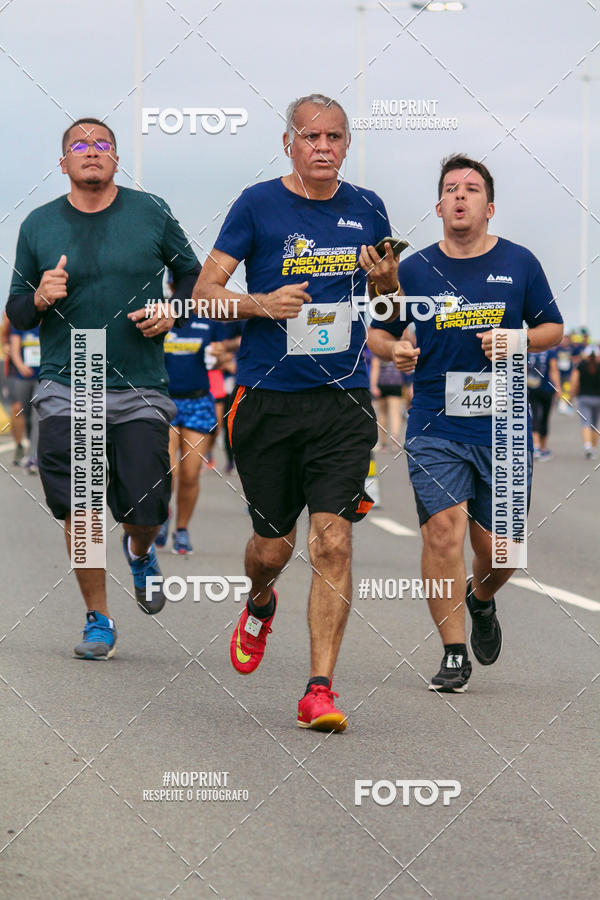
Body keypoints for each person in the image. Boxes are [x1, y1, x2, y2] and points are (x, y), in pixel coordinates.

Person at [193, 93, 399, 731]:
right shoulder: (256, 205)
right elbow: (205, 296)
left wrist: (387, 281)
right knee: (272, 548)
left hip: (341, 403)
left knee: (333, 539)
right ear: (289, 143)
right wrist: (262, 304)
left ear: (346, 144)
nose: (323, 147)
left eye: (335, 137)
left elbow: (384, 302)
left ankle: (319, 689)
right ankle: (259, 600)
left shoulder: (367, 208)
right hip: (267, 403)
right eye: (311, 137)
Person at [368, 154, 563, 692]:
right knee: (442, 532)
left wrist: (517, 339)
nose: (460, 196)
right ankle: (454, 652)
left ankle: (481, 600)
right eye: (451, 189)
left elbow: (553, 329)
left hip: (502, 427)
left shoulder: (520, 264)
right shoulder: (413, 270)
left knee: (502, 553)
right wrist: (397, 349)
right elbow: (378, 332)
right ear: (438, 206)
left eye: (471, 189)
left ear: (489, 206)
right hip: (435, 423)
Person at [6, 118, 200, 659]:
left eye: (103, 144)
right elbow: (17, 312)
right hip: (69, 384)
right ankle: (98, 618)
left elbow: (191, 275)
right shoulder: (39, 225)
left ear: (116, 158)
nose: (92, 152)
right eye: (79, 145)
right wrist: (40, 296)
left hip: (139, 385)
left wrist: (174, 309)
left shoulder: (151, 213)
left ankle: (140, 552)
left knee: (146, 509)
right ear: (63, 162)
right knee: (82, 506)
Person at [157, 313, 223, 555]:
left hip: (197, 402)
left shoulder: (209, 322)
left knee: (190, 473)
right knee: (169, 470)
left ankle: (181, 529)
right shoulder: (161, 315)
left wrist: (221, 355)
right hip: (166, 400)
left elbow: (225, 352)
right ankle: (162, 515)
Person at [8, 323, 41, 473]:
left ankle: (34, 457)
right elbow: (14, 350)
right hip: (23, 376)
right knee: (25, 416)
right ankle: (28, 446)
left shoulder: (50, 322)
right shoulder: (21, 324)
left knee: (36, 417)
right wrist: (21, 366)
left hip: (42, 378)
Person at [527, 347, 560, 460]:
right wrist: (558, 386)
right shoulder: (550, 352)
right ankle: (542, 448)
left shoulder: (528, 350)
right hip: (547, 389)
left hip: (531, 388)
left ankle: (536, 447)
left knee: (534, 416)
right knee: (545, 418)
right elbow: (553, 369)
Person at [571, 345, 600, 459]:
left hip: (584, 398)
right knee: (595, 424)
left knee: (585, 422)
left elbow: (574, 381)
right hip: (598, 399)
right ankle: (593, 448)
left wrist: (571, 396)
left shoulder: (581, 366)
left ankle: (588, 446)